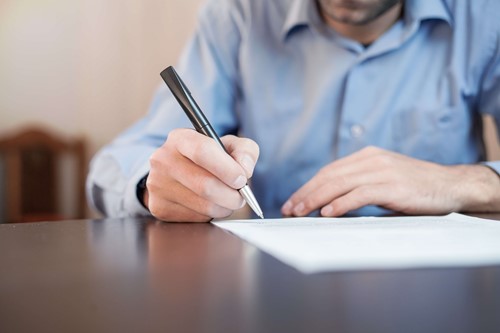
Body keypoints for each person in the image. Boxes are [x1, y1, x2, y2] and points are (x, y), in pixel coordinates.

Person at [87, 0, 500, 222]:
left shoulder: (485, 16)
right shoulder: (238, 16)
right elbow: (117, 163)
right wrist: (153, 184)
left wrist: (458, 182)